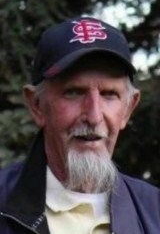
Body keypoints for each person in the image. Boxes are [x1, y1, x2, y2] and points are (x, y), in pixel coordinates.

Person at [0, 16, 159, 234]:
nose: (94, 117)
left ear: (128, 109)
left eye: (109, 94)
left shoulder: (155, 211)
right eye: (74, 92)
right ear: (37, 106)